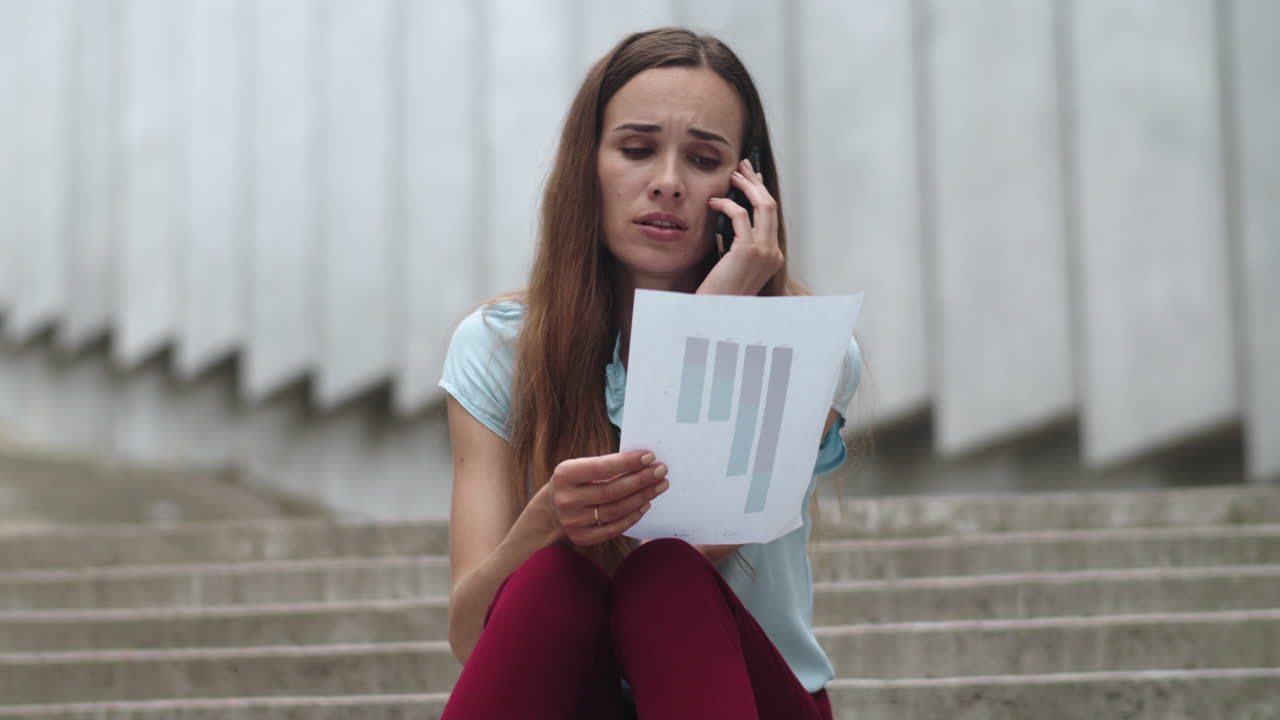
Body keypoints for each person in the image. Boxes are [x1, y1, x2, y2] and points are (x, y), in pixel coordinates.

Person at [437, 27, 862, 720]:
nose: (667, 182)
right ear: (588, 165)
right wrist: (544, 521)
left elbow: (672, 546)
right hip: (579, 693)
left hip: (743, 696)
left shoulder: (807, 348)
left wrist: (721, 310)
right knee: (550, 578)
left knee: (665, 577)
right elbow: (467, 636)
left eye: (702, 159)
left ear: (744, 186)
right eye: (636, 150)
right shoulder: (495, 349)